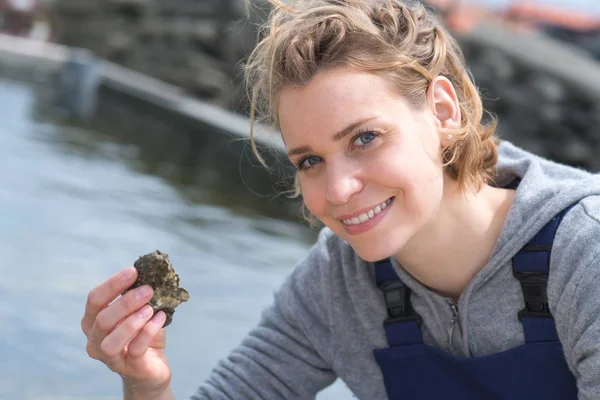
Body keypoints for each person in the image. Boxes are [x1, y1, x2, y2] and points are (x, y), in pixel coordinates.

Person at [81, 0, 600, 399]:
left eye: (365, 138)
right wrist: (147, 384)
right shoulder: (339, 283)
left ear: (444, 111)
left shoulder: (585, 251)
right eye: (310, 161)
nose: (338, 191)